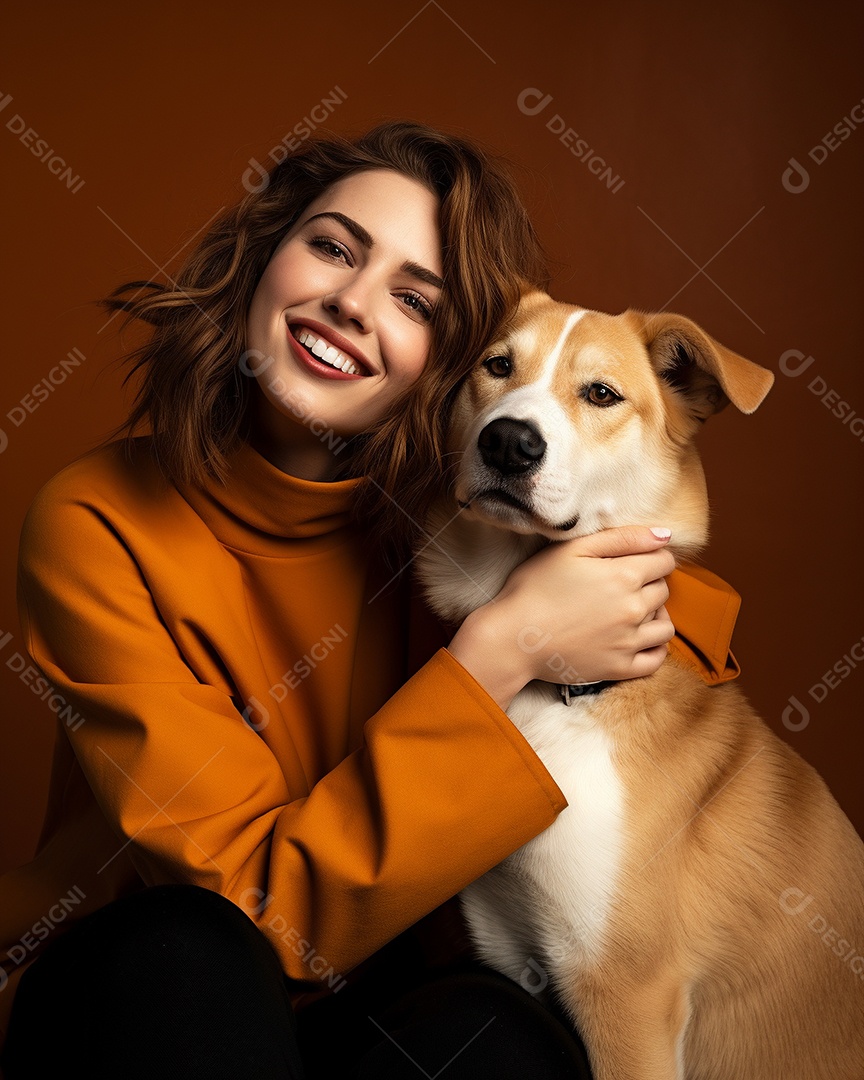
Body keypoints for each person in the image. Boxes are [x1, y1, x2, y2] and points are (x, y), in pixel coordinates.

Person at [0, 120, 741, 1078]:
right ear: (264, 257)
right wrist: (503, 649)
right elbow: (259, 910)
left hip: (364, 1010)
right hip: (148, 1001)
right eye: (333, 247)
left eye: (411, 299)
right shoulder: (97, 520)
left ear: (453, 361)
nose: (352, 303)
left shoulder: (459, 523)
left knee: (495, 1034)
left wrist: (565, 592)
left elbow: (694, 617)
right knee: (189, 950)